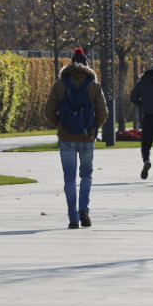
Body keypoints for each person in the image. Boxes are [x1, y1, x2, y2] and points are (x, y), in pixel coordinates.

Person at [44, 47, 108, 228]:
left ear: (71, 65)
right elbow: (103, 113)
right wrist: (94, 127)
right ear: (87, 66)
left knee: (69, 178)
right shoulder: (94, 86)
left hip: (66, 138)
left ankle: (72, 217)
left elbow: (48, 112)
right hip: (87, 137)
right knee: (86, 174)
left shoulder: (60, 85)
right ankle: (84, 211)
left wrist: (60, 125)